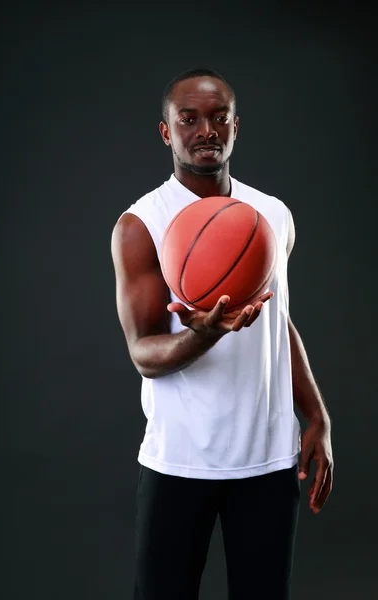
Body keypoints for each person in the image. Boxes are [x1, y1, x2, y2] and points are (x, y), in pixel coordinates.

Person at [110, 68, 334, 600]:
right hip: (179, 461)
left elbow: (278, 325)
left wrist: (318, 416)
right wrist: (205, 334)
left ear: (236, 127)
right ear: (168, 132)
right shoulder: (141, 224)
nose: (205, 130)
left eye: (218, 118)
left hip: (267, 461)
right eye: (189, 119)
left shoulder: (272, 216)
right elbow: (143, 352)